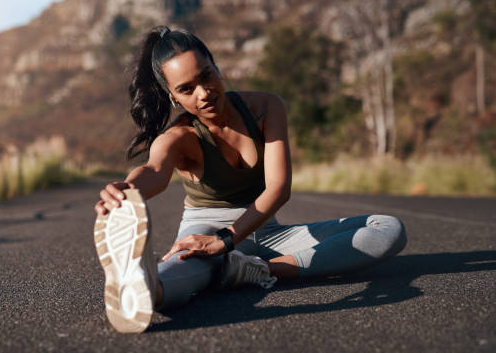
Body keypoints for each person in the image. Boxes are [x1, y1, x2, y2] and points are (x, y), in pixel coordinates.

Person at [93, 26, 407, 333]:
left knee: (388, 229)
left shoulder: (266, 107)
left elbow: (279, 189)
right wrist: (127, 190)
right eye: (187, 89)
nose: (204, 94)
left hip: (264, 231)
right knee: (182, 272)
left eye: (206, 76)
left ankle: (247, 270)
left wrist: (228, 243)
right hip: (204, 231)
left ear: (216, 65)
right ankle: (144, 288)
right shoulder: (179, 136)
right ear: (173, 96)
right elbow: (154, 171)